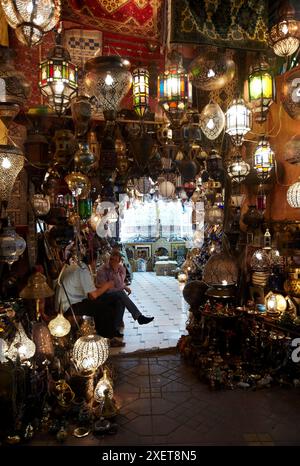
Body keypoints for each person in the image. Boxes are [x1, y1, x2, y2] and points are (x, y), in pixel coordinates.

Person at [56, 252, 125, 346]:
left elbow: (91, 289)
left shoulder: (77, 267)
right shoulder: (82, 270)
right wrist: (108, 285)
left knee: (112, 298)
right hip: (70, 305)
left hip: (68, 301)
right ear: (93, 260)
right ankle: (108, 338)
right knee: (105, 307)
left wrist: (104, 286)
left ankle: (108, 333)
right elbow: (93, 295)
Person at [96, 250, 154, 336]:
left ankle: (115, 330)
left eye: (116, 260)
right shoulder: (102, 270)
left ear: (119, 261)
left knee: (120, 301)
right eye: (111, 259)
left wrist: (115, 272)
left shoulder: (121, 269)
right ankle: (139, 317)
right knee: (121, 293)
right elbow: (105, 289)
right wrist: (123, 287)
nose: (113, 262)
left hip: (115, 293)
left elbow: (119, 284)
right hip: (103, 294)